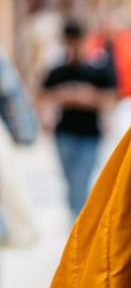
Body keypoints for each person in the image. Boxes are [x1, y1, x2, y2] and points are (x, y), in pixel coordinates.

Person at [40, 21, 115, 218]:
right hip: (65, 132)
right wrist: (63, 96)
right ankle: (77, 222)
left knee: (81, 182)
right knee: (71, 181)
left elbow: (111, 97)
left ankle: (78, 224)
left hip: (89, 133)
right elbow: (42, 95)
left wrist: (88, 97)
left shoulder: (97, 69)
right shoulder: (58, 71)